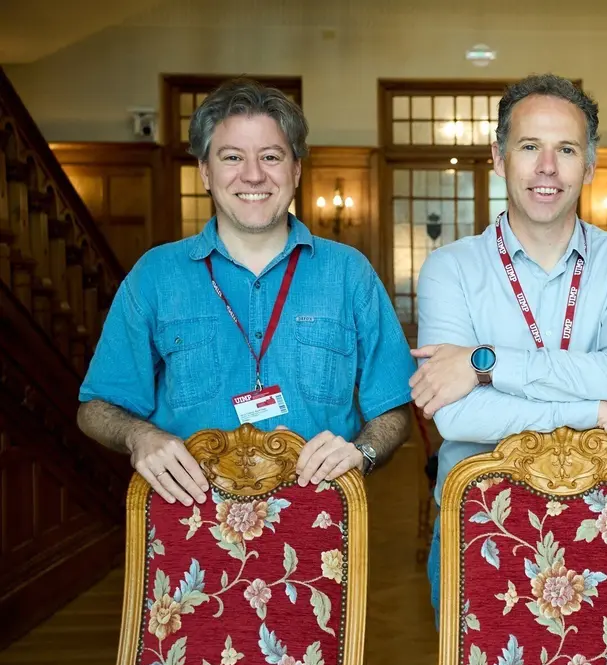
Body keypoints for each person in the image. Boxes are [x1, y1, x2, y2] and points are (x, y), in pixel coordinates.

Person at [409, 73, 607, 618]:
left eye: (566, 149)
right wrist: (597, 410)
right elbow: (458, 417)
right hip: (479, 519)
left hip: (602, 517)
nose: (546, 168)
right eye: (529, 146)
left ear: (589, 165)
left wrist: (482, 363)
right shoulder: (450, 268)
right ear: (498, 156)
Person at [76, 78, 415, 504]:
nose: (253, 175)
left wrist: (362, 452)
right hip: (188, 523)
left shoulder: (350, 273)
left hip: (320, 522)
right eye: (232, 156)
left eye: (270, 156)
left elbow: (394, 406)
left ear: (295, 169)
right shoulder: (155, 275)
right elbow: (96, 408)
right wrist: (139, 435)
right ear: (205, 170)